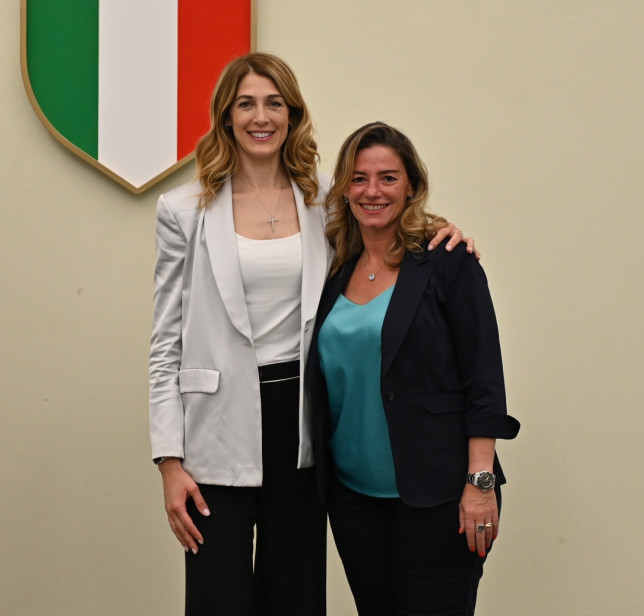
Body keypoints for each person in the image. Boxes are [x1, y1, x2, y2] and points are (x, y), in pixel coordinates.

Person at [148, 55, 474, 615]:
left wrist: (444, 232)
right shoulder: (183, 210)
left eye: (274, 103)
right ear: (226, 116)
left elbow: (389, 220)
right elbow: (165, 344)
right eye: (246, 104)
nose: (261, 117)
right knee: (218, 597)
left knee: (294, 594)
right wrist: (169, 461)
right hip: (215, 428)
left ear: (292, 114)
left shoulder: (326, 198)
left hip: (304, 419)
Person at [307, 122, 520, 615]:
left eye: (388, 177)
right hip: (353, 498)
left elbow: (483, 378)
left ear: (411, 186)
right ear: (344, 189)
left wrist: (480, 483)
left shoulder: (447, 260)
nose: (372, 191)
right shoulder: (334, 267)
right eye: (359, 178)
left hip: (440, 494)